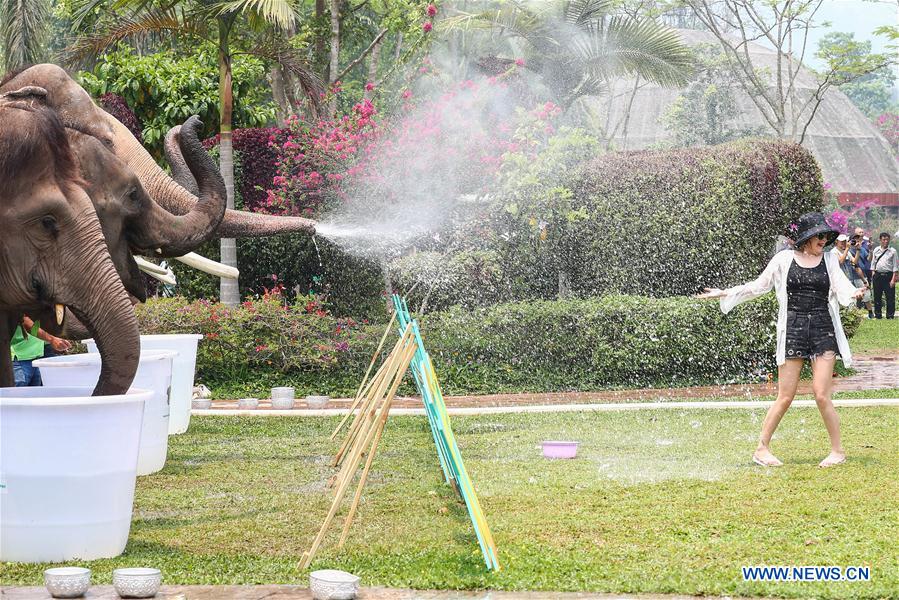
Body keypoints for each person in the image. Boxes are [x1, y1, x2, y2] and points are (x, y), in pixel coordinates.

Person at [695, 212, 865, 468]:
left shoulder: (830, 259)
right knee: (785, 395)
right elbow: (758, 286)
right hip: (793, 329)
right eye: (819, 235)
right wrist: (725, 292)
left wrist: (855, 293)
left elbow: (843, 288)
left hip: (822, 330)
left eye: (825, 235)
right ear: (806, 238)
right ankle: (761, 449)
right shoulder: (784, 259)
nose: (823, 240)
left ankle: (837, 451)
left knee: (821, 394)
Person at [9, 316, 72, 386]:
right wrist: (52, 339)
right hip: (19, 360)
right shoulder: (22, 312)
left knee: (36, 392)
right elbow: (29, 325)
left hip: (37, 359)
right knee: (16, 392)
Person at [869, 232, 898, 319]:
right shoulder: (876, 250)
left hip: (888, 275)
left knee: (890, 296)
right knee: (877, 296)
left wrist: (893, 279)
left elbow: (895, 267)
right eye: (884, 240)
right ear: (880, 240)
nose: (885, 241)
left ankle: (890, 315)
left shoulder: (893, 251)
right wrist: (873, 274)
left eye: (887, 240)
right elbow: (873, 263)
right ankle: (878, 315)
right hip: (877, 275)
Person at [848, 233, 874, 318]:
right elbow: (855, 265)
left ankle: (870, 313)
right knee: (854, 296)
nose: (856, 241)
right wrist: (857, 250)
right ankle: (854, 314)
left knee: (866, 294)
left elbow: (869, 259)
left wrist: (870, 250)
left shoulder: (862, 249)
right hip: (852, 276)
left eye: (858, 239)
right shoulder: (849, 250)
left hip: (863, 275)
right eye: (854, 239)